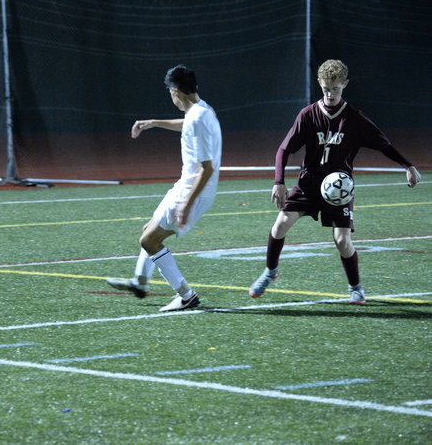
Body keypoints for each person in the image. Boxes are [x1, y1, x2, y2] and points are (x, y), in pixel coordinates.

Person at [249, 59, 421, 304]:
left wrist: (408, 166)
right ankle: (270, 272)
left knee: (342, 241)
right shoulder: (308, 115)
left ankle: (356, 288)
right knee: (280, 226)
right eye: (326, 89)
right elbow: (284, 149)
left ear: (345, 84)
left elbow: (385, 145)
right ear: (319, 84)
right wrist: (278, 182)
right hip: (308, 184)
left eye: (335, 89)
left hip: (339, 190)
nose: (330, 94)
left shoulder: (355, 119)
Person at [106, 65, 222, 312]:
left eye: (170, 92)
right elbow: (187, 125)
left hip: (193, 190)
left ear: (175, 91)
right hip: (187, 186)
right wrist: (154, 123)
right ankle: (139, 282)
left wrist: (186, 204)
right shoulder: (202, 110)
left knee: (149, 240)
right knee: (148, 230)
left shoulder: (197, 119)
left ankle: (186, 295)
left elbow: (207, 169)